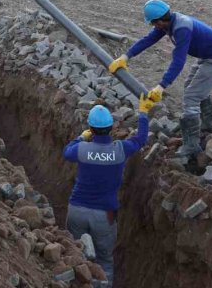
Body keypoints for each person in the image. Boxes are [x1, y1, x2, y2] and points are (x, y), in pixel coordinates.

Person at [108, 0, 212, 156]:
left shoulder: (182, 28)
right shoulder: (168, 23)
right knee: (192, 88)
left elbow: (178, 61)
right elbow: (148, 40)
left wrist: (161, 86)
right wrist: (126, 56)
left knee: (192, 96)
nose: (153, 27)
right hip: (206, 56)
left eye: (153, 24)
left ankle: (192, 145)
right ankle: (208, 125)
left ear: (159, 21)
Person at [63, 97, 153, 282]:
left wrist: (82, 136)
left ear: (91, 128)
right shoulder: (120, 149)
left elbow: (67, 151)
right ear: (112, 128)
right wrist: (143, 113)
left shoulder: (82, 149)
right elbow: (141, 139)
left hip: (77, 210)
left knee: (74, 255)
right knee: (105, 261)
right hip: (105, 214)